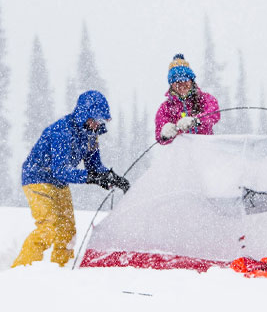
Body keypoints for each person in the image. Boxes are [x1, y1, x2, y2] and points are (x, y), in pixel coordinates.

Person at [12, 90, 130, 268]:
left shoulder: (91, 135)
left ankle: (61, 269)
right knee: (48, 228)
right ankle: (20, 270)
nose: (98, 124)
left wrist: (111, 177)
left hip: (59, 184)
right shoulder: (62, 132)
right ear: (84, 115)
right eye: (96, 119)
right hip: (37, 178)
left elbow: (94, 167)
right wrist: (91, 178)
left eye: (101, 121)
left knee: (67, 231)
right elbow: (60, 171)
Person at [155, 54, 220, 144]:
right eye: (177, 82)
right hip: (182, 156)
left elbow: (214, 114)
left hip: (206, 151)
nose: (181, 85)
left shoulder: (205, 98)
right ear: (171, 84)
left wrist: (197, 120)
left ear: (191, 81)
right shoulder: (165, 108)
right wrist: (165, 133)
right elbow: (160, 138)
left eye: (185, 80)